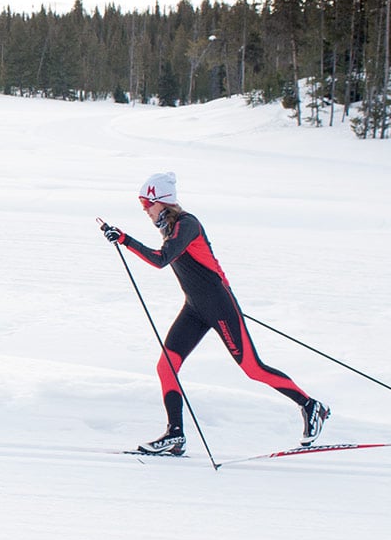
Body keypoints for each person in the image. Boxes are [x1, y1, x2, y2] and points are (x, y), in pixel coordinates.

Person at [100, 172, 329, 456]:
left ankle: (310, 405)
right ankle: (175, 435)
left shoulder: (187, 224)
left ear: (162, 202)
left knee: (253, 369)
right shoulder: (171, 229)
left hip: (220, 306)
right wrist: (124, 239)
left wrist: (124, 239)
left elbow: (161, 260)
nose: (145, 209)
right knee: (166, 367)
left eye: (148, 203)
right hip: (195, 309)